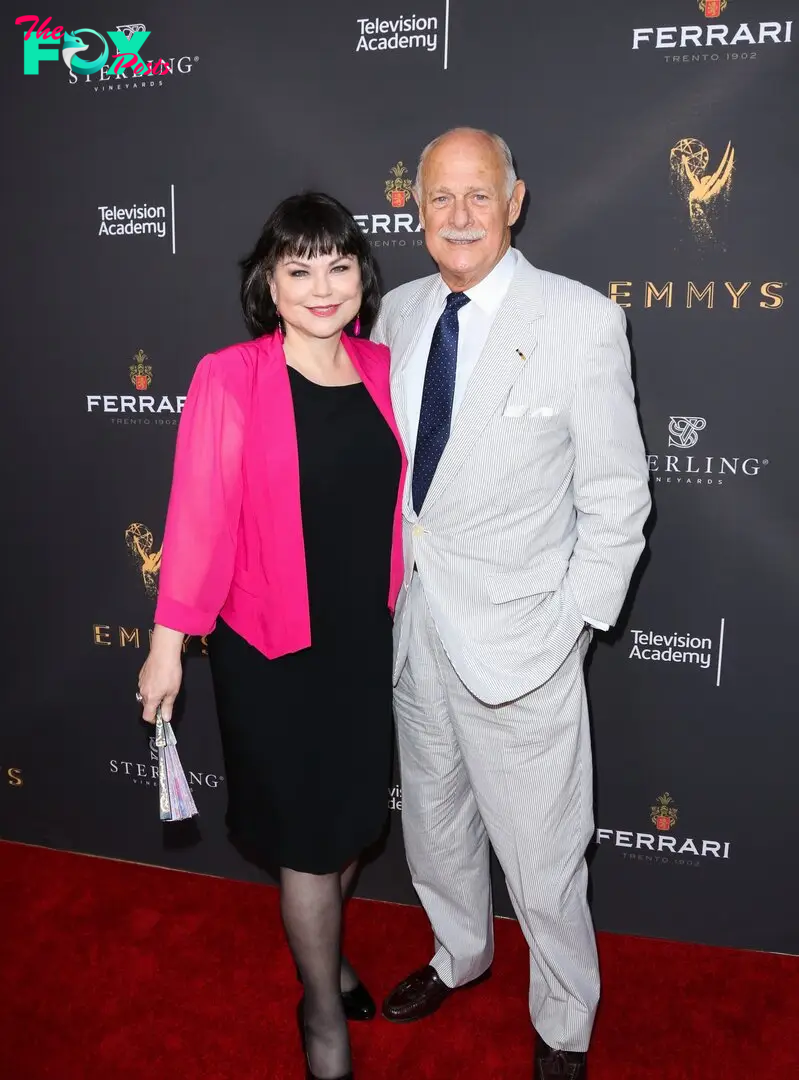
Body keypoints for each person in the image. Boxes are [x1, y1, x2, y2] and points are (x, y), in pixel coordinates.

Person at [372, 128, 651, 1078]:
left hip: (525, 642)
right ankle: (459, 952)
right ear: (415, 207)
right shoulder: (395, 314)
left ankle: (564, 1020)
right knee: (436, 824)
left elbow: (617, 499)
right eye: (438, 198)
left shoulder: (579, 321)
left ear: (514, 200)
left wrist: (569, 625)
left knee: (543, 859)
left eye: (477, 196)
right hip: (416, 631)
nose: (457, 216)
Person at [137, 191, 406, 1080]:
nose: (321, 286)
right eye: (300, 269)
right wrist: (169, 640)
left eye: (337, 266)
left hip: (366, 641)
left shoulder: (384, 366)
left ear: (361, 277)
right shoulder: (232, 375)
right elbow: (200, 515)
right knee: (307, 838)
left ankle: (326, 962)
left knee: (355, 823)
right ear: (270, 283)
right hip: (271, 646)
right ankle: (322, 1012)